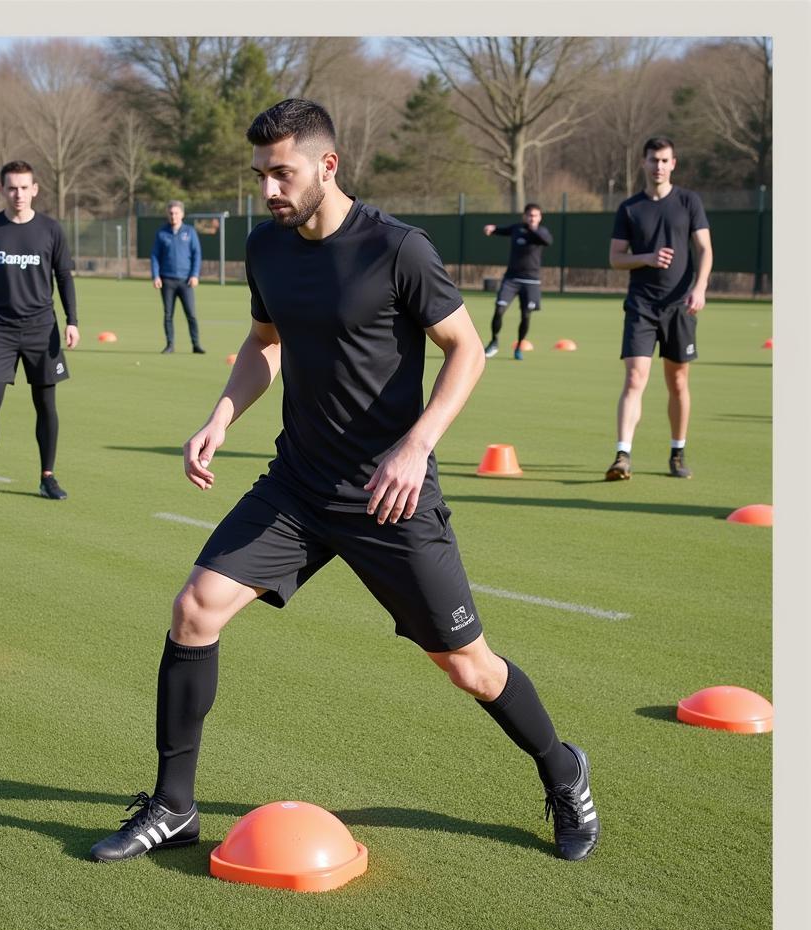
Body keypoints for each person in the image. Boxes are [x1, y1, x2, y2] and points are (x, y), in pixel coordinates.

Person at [90, 99, 599, 866]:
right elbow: (264, 343)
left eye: (281, 172)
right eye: (259, 173)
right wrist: (221, 417)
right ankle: (174, 806)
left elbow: (466, 349)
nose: (267, 189)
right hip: (297, 486)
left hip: (388, 496)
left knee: (468, 666)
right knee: (195, 608)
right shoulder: (268, 247)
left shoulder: (399, 249)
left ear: (328, 166)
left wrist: (416, 445)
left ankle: (564, 772)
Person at [0, 160, 79, 501]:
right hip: (0, 328)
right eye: (12, 187)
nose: (18, 194)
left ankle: (47, 477)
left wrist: (72, 320)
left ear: (35, 189)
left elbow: (64, 278)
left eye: (24, 187)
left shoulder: (51, 229)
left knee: (45, 403)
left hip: (43, 329)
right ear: (2, 189)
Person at [605, 136, 712, 481]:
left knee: (678, 381)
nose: (658, 166)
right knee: (635, 377)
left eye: (665, 160)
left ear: (673, 163)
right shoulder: (630, 208)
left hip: (680, 306)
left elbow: (705, 250)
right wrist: (646, 258)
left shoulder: (688, 201)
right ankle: (623, 455)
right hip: (642, 306)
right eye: (653, 160)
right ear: (644, 163)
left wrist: (700, 288)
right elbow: (616, 259)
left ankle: (677, 453)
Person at [481, 204, 552, 360]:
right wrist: (493, 229)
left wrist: (532, 229)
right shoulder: (517, 228)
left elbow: (547, 241)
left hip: (531, 281)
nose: (532, 218)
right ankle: (494, 342)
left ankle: (519, 347)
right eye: (529, 215)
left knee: (526, 316)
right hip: (511, 279)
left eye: (535, 215)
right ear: (524, 216)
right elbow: (503, 230)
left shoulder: (541, 232)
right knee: (499, 309)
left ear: (540, 217)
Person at [150, 200, 204, 354]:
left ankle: (196, 344)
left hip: (186, 281)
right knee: (168, 314)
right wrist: (156, 276)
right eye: (171, 213)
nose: (173, 216)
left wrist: (194, 275)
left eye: (176, 213)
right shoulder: (161, 233)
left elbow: (196, 255)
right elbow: (154, 256)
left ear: (182, 214)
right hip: (167, 280)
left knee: (191, 314)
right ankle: (170, 345)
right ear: (168, 214)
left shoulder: (190, 232)